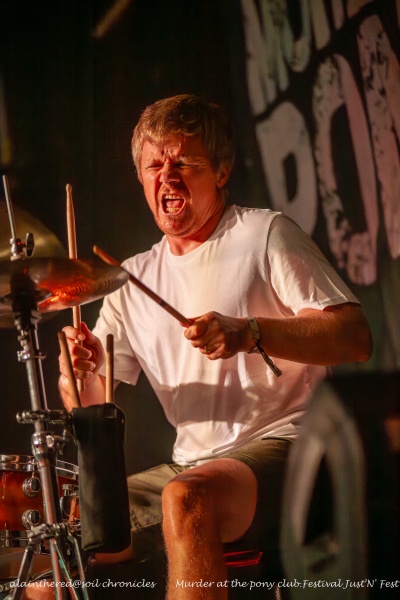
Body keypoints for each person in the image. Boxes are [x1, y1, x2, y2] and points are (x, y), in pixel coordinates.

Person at [58, 94, 372, 599]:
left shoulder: (264, 234)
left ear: (221, 171)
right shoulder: (130, 278)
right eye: (154, 166)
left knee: (187, 499)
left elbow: (354, 337)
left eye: (185, 162)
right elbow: (93, 402)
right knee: (65, 533)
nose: (167, 176)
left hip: (292, 445)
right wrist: (79, 373)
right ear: (140, 177)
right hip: (192, 464)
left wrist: (250, 332)